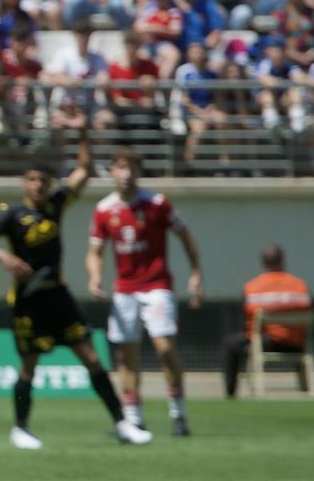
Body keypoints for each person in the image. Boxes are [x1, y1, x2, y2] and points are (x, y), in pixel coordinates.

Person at [0, 130, 152, 449]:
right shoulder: (10, 213)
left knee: (92, 357)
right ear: (24, 183)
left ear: (50, 182)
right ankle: (21, 428)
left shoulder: (55, 205)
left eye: (43, 180)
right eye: (32, 179)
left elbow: (84, 170)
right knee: (29, 364)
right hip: (27, 300)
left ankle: (123, 424)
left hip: (58, 295)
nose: (38, 185)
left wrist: (82, 132)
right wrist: (5, 257)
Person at [86, 149, 204, 437]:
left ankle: (178, 413)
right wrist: (95, 277)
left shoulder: (157, 204)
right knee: (128, 356)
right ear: (112, 171)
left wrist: (196, 272)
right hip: (124, 291)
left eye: (132, 168)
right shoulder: (104, 209)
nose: (126, 174)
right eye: (121, 167)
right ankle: (133, 418)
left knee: (164, 348)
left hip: (156, 286)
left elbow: (185, 235)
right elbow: (95, 251)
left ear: (140, 172)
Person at [223, 244, 311, 398]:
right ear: (283, 261)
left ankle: (231, 393)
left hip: (265, 343)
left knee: (231, 344)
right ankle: (305, 387)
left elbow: (247, 323)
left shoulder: (252, 288)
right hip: (297, 345)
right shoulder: (301, 286)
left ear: (263, 263)